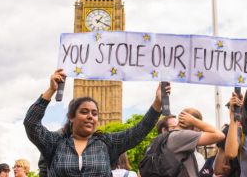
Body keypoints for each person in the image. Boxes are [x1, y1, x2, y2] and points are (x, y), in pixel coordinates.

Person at [24, 69, 168, 177]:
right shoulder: (55, 142)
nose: (90, 117)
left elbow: (139, 130)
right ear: (71, 116)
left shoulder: (106, 143)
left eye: (94, 113)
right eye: (84, 112)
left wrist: (157, 103)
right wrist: (51, 90)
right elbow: (31, 123)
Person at [166, 107, 225, 176]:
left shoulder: (170, 136)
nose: (200, 131)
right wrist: (194, 121)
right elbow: (220, 135)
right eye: (199, 128)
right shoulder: (182, 136)